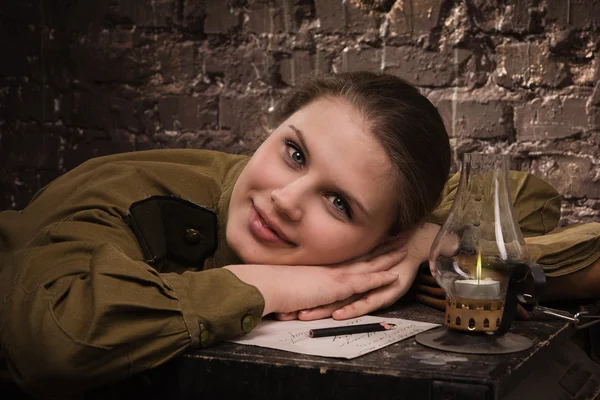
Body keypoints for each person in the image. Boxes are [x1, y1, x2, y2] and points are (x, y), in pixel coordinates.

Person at [0, 71, 569, 398]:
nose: (285, 200)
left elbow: (532, 197)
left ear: (379, 235)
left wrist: (424, 241)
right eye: (294, 153)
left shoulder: (395, 232)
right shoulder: (127, 196)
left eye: (339, 202)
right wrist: (266, 285)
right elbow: (52, 339)